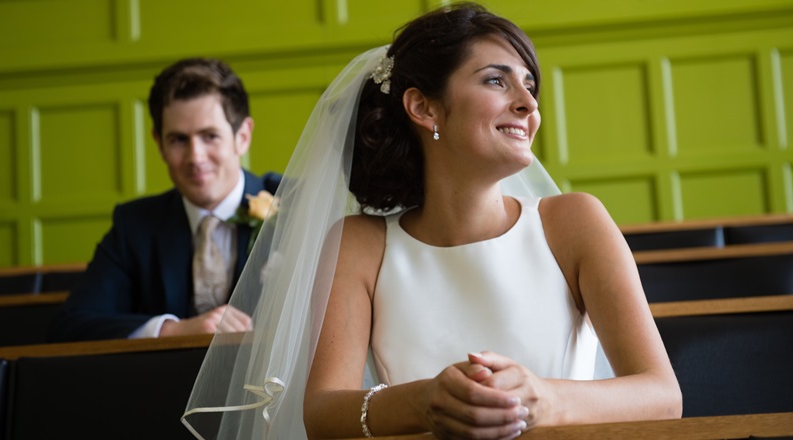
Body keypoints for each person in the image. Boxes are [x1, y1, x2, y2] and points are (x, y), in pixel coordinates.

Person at [182, 3, 681, 439]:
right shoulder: (360, 243)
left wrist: (544, 400)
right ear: (423, 107)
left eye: (529, 85)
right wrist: (423, 402)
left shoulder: (574, 221)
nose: (529, 104)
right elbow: (322, 413)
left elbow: (662, 395)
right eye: (496, 80)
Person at [48, 58, 282, 342]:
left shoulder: (294, 204)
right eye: (179, 140)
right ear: (159, 143)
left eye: (210, 136)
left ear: (242, 136)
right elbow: (71, 325)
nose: (195, 157)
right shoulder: (134, 225)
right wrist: (172, 330)